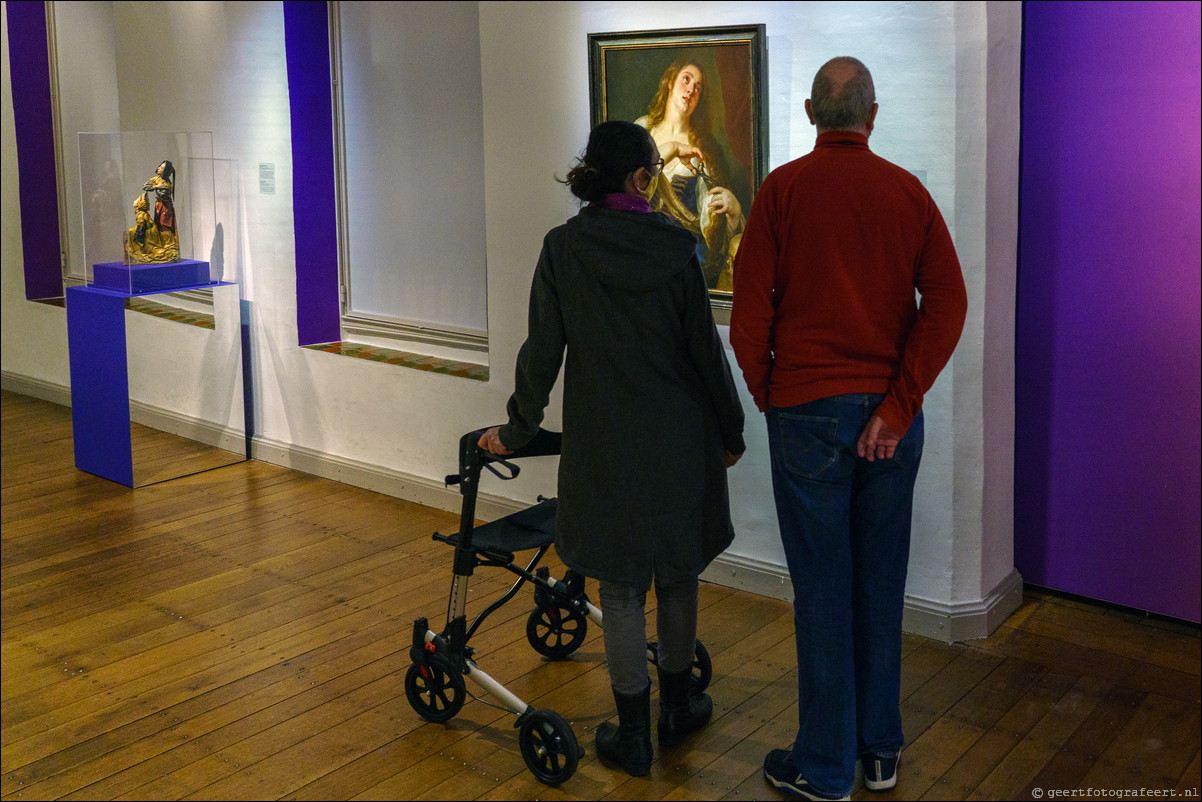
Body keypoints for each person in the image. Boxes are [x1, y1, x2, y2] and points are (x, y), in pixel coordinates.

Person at [729, 57, 967, 801]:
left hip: (808, 413)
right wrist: (897, 407)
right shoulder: (907, 192)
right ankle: (878, 753)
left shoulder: (782, 191)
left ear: (809, 110)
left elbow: (750, 310)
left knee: (823, 592)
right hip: (890, 424)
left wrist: (772, 391)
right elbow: (948, 305)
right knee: (879, 583)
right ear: (872, 113)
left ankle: (827, 768)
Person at [478, 120, 746, 778]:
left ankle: (633, 737)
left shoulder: (564, 251)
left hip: (607, 448)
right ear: (637, 178)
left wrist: (515, 430)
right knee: (678, 574)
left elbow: (541, 354)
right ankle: (678, 709)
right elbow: (705, 355)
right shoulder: (678, 249)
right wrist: (731, 429)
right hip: (680, 441)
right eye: (653, 168)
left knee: (621, 590)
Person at [634, 58, 747, 291]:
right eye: (686, 79)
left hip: (686, 254)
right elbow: (626, 186)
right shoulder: (642, 131)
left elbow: (712, 226)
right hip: (641, 246)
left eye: (698, 87)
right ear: (669, 82)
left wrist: (732, 208)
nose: (691, 90)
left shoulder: (706, 149)